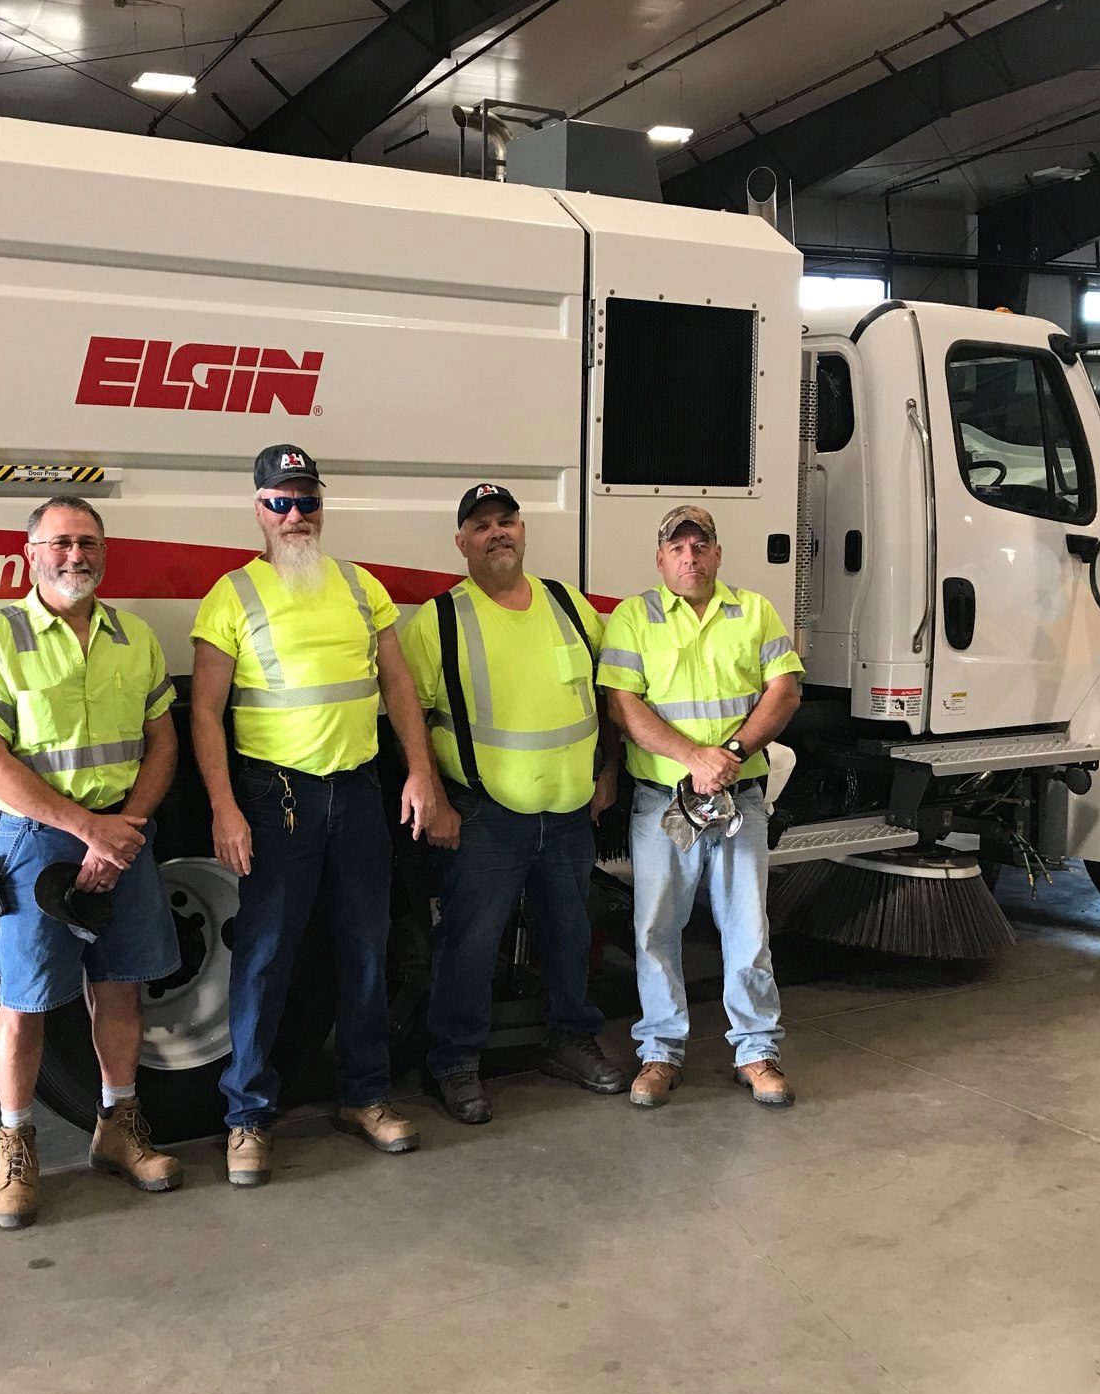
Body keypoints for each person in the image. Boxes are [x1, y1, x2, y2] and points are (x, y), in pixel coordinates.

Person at [189, 445, 449, 1185]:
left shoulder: (360, 586)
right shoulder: (231, 595)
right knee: (266, 958)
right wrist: (224, 808)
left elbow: (399, 687)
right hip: (280, 802)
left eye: (307, 501)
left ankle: (364, 1097)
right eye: (281, 501)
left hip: (359, 793)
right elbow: (206, 714)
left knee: (365, 948)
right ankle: (247, 1117)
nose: (297, 515)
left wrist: (421, 775)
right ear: (259, 510)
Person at [0, 495, 184, 1230]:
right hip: (37, 843)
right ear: (31, 554)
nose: (74, 556)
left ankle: (119, 1129)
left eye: (87, 542)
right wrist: (89, 830)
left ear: (104, 552)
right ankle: (15, 1148)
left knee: (121, 991)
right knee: (23, 1003)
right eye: (59, 543)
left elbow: (163, 744)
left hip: (124, 836)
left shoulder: (134, 637)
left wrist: (125, 832)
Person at [399, 483, 627, 1123]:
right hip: (486, 814)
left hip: (570, 808)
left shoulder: (570, 606)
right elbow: (409, 716)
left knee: (571, 930)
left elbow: (605, 693)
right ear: (461, 542)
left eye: (507, 521)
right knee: (471, 941)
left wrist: (607, 770)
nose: (497, 533)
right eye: (481, 526)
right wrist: (433, 794)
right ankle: (454, 1062)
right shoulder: (437, 620)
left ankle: (570, 1038)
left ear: (523, 532)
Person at [598, 505, 804, 1109]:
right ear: (660, 559)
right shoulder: (633, 618)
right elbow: (622, 705)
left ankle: (756, 1051)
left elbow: (785, 689)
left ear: (717, 554)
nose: (690, 556)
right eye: (677, 547)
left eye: (700, 545)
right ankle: (660, 1053)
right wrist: (695, 757)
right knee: (656, 930)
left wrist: (731, 753)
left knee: (748, 930)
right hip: (664, 803)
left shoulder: (755, 611)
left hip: (738, 799)